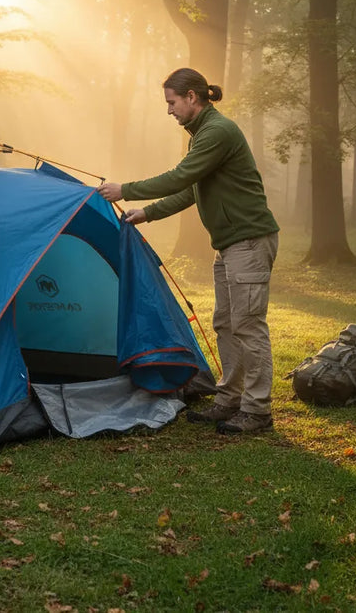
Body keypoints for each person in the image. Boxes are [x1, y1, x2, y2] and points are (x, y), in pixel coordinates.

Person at [98, 68, 279, 435]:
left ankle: (257, 410)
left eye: (171, 102)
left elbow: (180, 177)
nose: (169, 110)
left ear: (192, 97)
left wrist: (126, 189)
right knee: (226, 324)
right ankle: (229, 400)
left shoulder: (217, 132)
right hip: (230, 244)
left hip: (248, 241)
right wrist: (147, 213)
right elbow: (191, 191)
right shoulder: (203, 136)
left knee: (248, 326)